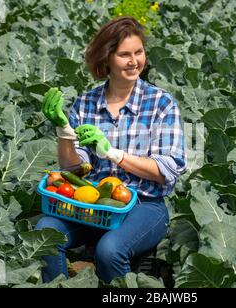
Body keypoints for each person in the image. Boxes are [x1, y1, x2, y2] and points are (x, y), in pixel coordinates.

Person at [36, 16, 187, 284]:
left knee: (110, 250)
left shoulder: (160, 103)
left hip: (144, 205)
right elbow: (73, 169)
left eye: (138, 52)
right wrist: (64, 132)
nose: (134, 61)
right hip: (93, 204)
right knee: (45, 233)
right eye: (124, 54)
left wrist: (113, 154)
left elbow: (167, 170)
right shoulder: (86, 104)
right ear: (106, 59)